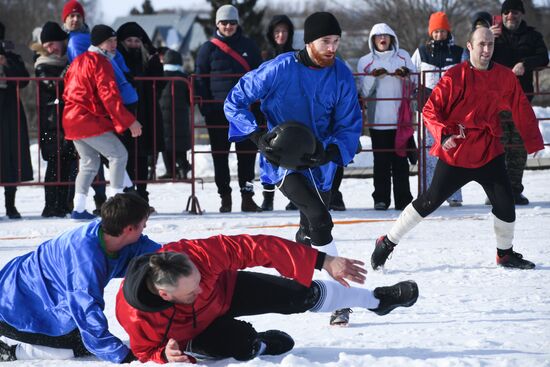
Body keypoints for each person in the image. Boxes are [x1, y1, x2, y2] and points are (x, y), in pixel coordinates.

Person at [225, 12, 362, 326]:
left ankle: (301, 287)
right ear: (310, 42)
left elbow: (350, 123)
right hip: (283, 161)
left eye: (336, 41)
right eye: (326, 41)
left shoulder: (340, 73)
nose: (332, 47)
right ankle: (339, 298)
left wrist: (330, 151)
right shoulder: (279, 68)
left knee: (309, 231)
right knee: (320, 217)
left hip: (321, 162)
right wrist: (258, 136)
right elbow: (235, 100)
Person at [371, 27, 544, 272]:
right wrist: (443, 134)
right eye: (481, 44)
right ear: (470, 47)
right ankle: (387, 241)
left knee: (506, 204)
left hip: (488, 150)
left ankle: (505, 254)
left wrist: (533, 140)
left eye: (490, 45)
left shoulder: (504, 77)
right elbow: (431, 109)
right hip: (456, 151)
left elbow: (521, 107)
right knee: (429, 201)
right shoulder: (455, 76)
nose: (486, 50)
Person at [116, 234, 419, 363]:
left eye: (199, 280)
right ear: (165, 295)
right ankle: (261, 343)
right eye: (192, 291)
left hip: (227, 291)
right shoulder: (135, 315)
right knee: (243, 345)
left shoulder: (198, 256)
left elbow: (258, 247)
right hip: (196, 333)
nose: (199, 289)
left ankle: (378, 301)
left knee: (302, 295)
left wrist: (322, 261)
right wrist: (164, 355)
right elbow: (145, 351)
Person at [0, 193, 161, 363]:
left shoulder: (110, 233)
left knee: (84, 338)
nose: (144, 229)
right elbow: (86, 311)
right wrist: (125, 357)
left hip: (38, 297)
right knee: (79, 345)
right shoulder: (84, 259)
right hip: (12, 307)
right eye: (143, 226)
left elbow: (152, 251)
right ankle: (10, 350)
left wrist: (180, 257)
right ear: (129, 229)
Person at [62, 0, 138, 214]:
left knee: (88, 163)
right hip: (87, 120)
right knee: (119, 155)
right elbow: (109, 96)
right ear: (99, 43)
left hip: (72, 119)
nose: (113, 44)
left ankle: (78, 209)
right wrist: (129, 121)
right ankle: (114, 209)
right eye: (109, 41)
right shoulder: (100, 62)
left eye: (115, 40)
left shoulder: (79, 61)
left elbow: (69, 88)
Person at [195, 4, 263, 213]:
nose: (228, 26)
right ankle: (225, 197)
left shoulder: (249, 46)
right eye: (224, 22)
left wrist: (257, 108)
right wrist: (206, 108)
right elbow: (199, 80)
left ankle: (248, 196)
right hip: (217, 112)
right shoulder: (208, 49)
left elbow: (260, 77)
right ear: (217, 24)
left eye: (232, 22)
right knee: (220, 157)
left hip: (245, 111)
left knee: (248, 156)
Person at [490, 0, 549, 205]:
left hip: (522, 99)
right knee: (497, 145)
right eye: (506, 12)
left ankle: (514, 189)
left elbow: (543, 57)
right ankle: (496, 191)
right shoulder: (493, 36)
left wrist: (526, 64)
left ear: (521, 14)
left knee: (518, 146)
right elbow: (477, 58)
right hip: (496, 100)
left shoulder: (532, 36)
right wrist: (488, 38)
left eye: (514, 12)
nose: (510, 16)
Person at [357, 23, 416, 211]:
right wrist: (373, 76)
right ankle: (380, 199)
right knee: (381, 163)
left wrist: (406, 76)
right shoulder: (365, 61)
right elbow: (363, 92)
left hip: (401, 121)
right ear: (373, 40)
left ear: (392, 38)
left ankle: (403, 199)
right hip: (378, 122)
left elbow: (415, 82)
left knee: (401, 161)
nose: (382, 39)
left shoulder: (403, 56)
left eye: (386, 35)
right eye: (378, 36)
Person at [411, 12, 464, 207]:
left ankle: (454, 195)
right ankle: (428, 193)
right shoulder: (421, 52)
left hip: (452, 107)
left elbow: (466, 75)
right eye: (435, 31)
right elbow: (412, 75)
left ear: (447, 31)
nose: (439, 35)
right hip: (428, 107)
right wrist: (416, 93)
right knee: (427, 150)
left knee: (452, 149)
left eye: (442, 31)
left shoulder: (458, 52)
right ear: (430, 32)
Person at [31, 21, 78, 218]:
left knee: (70, 163)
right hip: (51, 122)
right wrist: (67, 72)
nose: (50, 48)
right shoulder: (42, 64)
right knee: (54, 163)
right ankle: (51, 205)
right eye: (47, 44)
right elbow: (52, 86)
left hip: (68, 119)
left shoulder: (70, 59)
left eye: (53, 43)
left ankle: (66, 203)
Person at [116, 22, 165, 206]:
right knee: (125, 155)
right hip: (125, 112)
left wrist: (155, 63)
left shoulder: (148, 59)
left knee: (142, 156)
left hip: (146, 111)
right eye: (129, 40)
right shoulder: (118, 58)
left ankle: (142, 195)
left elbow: (160, 83)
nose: (134, 44)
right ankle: (127, 197)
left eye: (137, 40)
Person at [260, 14, 296, 211]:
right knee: (267, 154)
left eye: (284, 31)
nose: (280, 35)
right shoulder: (264, 56)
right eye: (277, 32)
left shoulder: (296, 55)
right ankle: (268, 197)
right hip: (269, 111)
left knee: (293, 152)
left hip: (290, 110)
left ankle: (296, 197)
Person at [0, 22, 33, 219]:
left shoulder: (11, 56)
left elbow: (25, 79)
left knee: (11, 155)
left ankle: (10, 204)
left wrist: (6, 64)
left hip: (10, 109)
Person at [158, 49, 191, 180]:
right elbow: (191, 99)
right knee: (180, 143)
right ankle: (183, 167)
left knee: (165, 143)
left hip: (161, 115)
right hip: (181, 116)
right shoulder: (184, 78)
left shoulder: (159, 76)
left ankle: (170, 171)